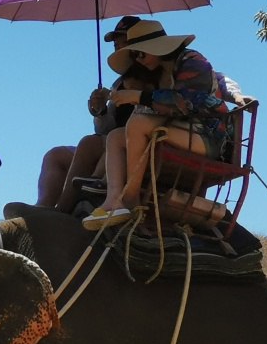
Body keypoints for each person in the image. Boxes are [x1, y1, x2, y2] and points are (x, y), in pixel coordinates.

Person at [82, 20, 245, 230]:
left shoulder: (192, 61)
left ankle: (130, 198)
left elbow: (188, 102)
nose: (138, 60)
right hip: (183, 132)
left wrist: (139, 97)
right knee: (115, 137)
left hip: (208, 136)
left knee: (139, 124)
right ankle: (112, 199)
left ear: (156, 48)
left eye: (140, 53)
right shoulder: (160, 72)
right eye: (135, 56)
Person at [35, 15, 142, 211]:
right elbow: (106, 128)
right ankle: (42, 208)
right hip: (112, 144)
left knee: (90, 143)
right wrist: (100, 111)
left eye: (123, 42)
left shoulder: (154, 78)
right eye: (116, 45)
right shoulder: (120, 83)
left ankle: (62, 210)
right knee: (56, 155)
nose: (118, 48)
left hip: (131, 148)